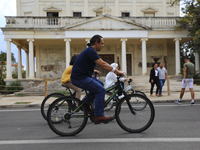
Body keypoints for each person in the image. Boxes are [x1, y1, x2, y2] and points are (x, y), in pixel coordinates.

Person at [71, 34, 124, 124]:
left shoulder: (90, 51)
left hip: (83, 76)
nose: (103, 45)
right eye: (102, 43)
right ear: (96, 43)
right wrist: (116, 71)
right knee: (100, 90)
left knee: (99, 84)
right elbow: (102, 64)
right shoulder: (90, 51)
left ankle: (84, 104)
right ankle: (98, 115)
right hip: (79, 78)